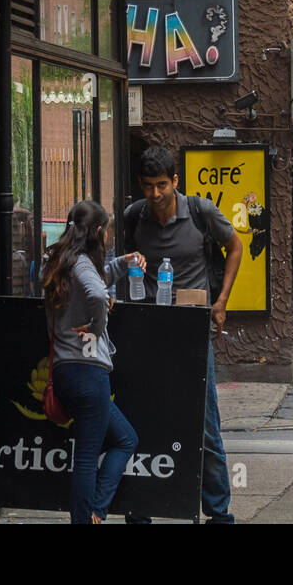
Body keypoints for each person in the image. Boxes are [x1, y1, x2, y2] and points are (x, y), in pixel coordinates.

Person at [124, 146, 243, 524]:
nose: (155, 194)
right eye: (147, 187)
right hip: (148, 329)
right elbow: (124, 261)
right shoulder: (134, 217)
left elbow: (236, 245)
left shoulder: (200, 211)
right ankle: (139, 507)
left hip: (192, 330)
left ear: (175, 181)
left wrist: (221, 301)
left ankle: (218, 510)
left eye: (162, 185)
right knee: (143, 417)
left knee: (204, 422)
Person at [42, 200, 145, 524]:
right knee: (86, 457)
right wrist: (98, 328)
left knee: (125, 438)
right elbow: (98, 294)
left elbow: (91, 281)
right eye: (109, 229)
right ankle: (87, 518)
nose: (111, 235)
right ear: (98, 231)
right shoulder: (83, 265)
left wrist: (121, 263)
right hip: (89, 372)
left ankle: (95, 512)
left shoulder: (57, 260)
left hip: (64, 371)